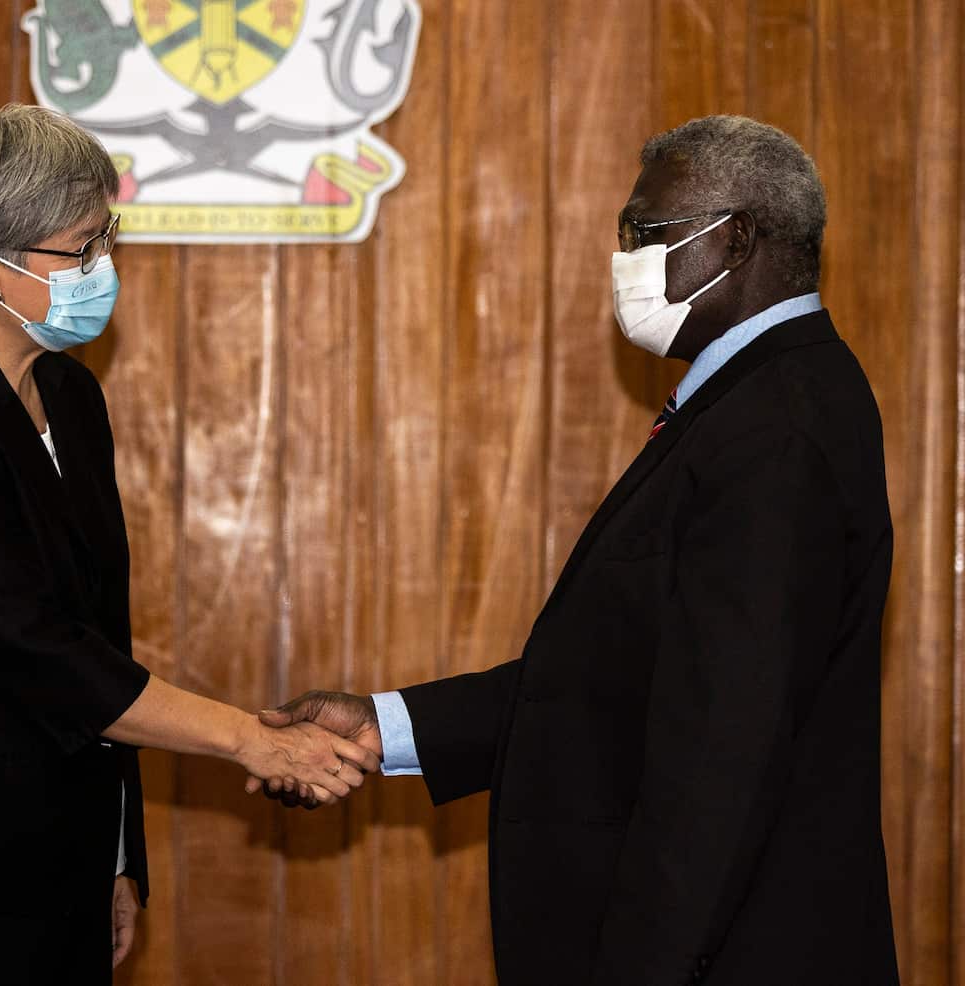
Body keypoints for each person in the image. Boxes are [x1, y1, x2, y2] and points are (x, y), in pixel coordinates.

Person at [256, 116, 899, 985]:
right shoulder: (754, 402)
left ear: (737, 237)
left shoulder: (774, 428)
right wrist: (387, 726)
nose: (624, 256)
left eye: (645, 230)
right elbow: (624, 678)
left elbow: (725, 749)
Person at [0, 103, 377, 986]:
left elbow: (95, 638)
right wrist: (250, 740)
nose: (102, 266)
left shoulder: (72, 401)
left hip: (63, 865)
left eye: (105, 235)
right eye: (79, 249)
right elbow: (30, 651)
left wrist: (117, 854)